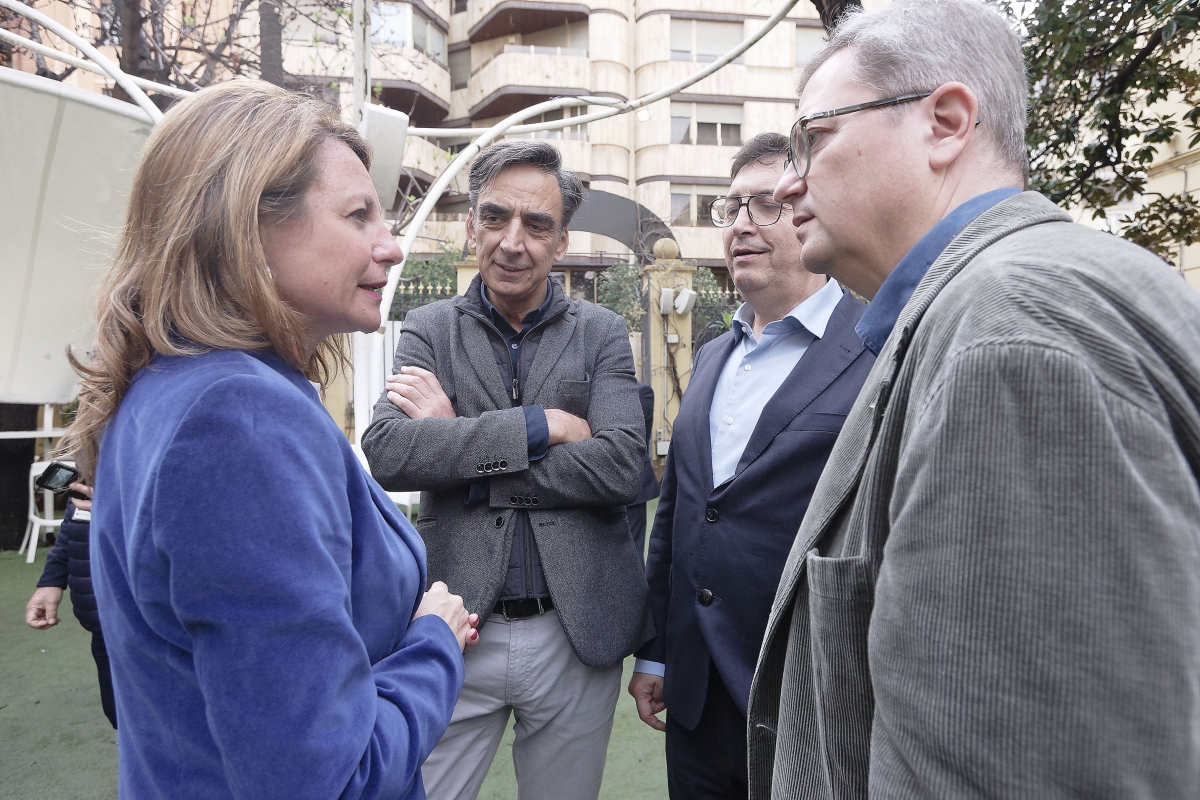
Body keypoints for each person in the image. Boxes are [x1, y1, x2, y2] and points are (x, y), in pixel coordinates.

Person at [748, 1, 1200, 797]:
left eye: (812, 140)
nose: (787, 183)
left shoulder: (1008, 333)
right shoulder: (992, 307)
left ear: (946, 122)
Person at [63, 81, 476, 800]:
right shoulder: (238, 420)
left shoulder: (179, 387)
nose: (392, 245)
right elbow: (330, 780)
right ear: (247, 226)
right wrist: (433, 642)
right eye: (358, 215)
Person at [361, 140, 652, 800]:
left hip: (574, 631)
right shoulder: (430, 329)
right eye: (495, 217)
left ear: (561, 240)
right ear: (472, 224)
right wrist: (540, 426)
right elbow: (388, 453)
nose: (512, 241)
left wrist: (461, 452)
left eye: (536, 224)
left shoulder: (601, 331)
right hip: (455, 627)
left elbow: (619, 468)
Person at [628, 133, 874, 799]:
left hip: (810, 690)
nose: (741, 224)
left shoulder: (877, 350)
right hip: (698, 697)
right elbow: (680, 514)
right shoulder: (710, 357)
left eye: (765, 205)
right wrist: (656, 649)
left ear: (811, 214)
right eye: (730, 207)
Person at [25, 484, 117, 729]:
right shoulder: (91, 453)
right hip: (102, 625)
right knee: (118, 715)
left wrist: (116, 506)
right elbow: (75, 521)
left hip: (151, 627)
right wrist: (52, 580)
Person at [627, 380, 659, 561]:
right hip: (594, 485)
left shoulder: (641, 392)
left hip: (633, 484)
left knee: (634, 552)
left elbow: (636, 441)